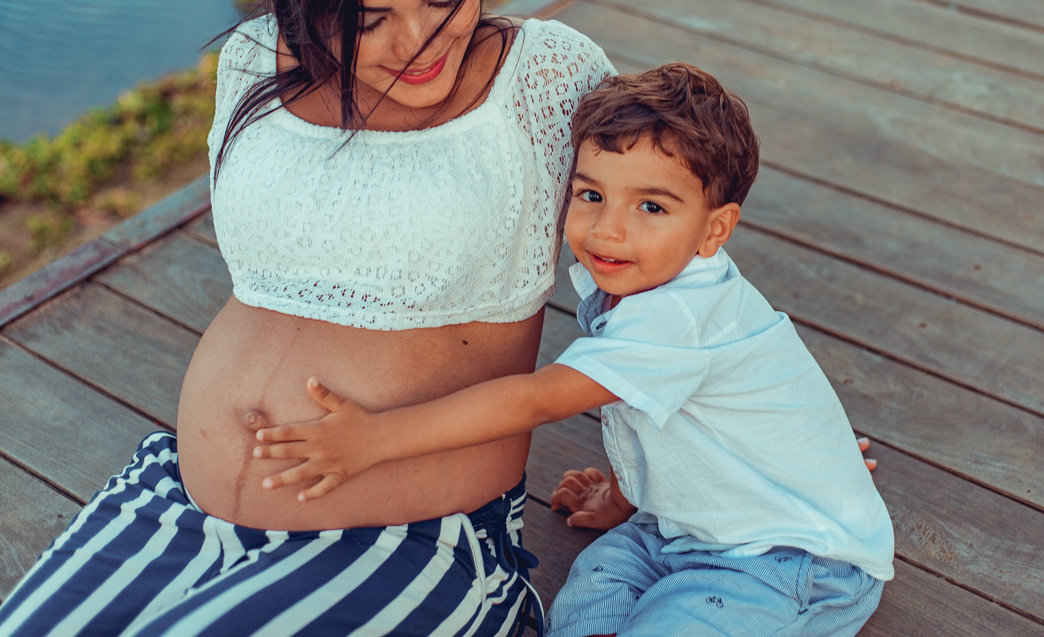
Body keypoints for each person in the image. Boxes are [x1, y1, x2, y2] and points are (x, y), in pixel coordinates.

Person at [0, 0, 615, 635]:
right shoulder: (257, 60)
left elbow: (667, 292)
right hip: (178, 501)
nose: (418, 42)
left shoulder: (546, 79)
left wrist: (650, 480)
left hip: (411, 535)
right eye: (368, 19)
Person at [250, 63, 895, 636]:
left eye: (651, 206)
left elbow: (536, 400)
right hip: (676, 531)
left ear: (714, 228)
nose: (607, 228)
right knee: (587, 594)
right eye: (591, 195)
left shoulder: (677, 317)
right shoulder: (643, 288)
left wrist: (377, 438)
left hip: (787, 559)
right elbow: (654, 412)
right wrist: (623, 497)